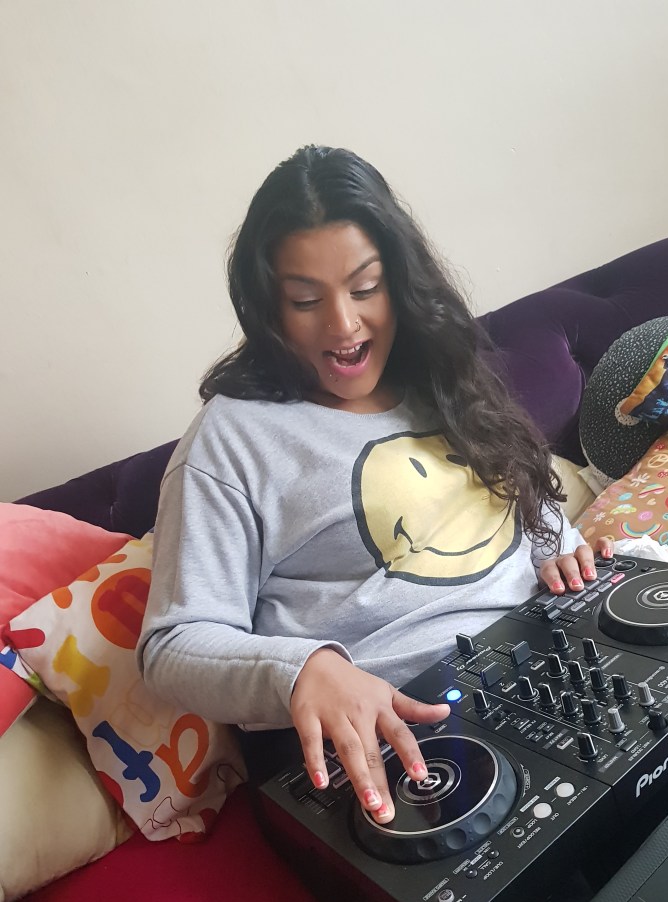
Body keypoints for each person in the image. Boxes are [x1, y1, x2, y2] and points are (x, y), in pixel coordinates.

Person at [137, 144, 611, 829]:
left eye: (365, 289)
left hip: (546, 661)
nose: (343, 325)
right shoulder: (230, 439)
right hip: (406, 735)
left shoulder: (438, 373)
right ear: (269, 309)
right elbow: (173, 645)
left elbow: (520, 503)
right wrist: (303, 670)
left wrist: (558, 549)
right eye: (306, 300)